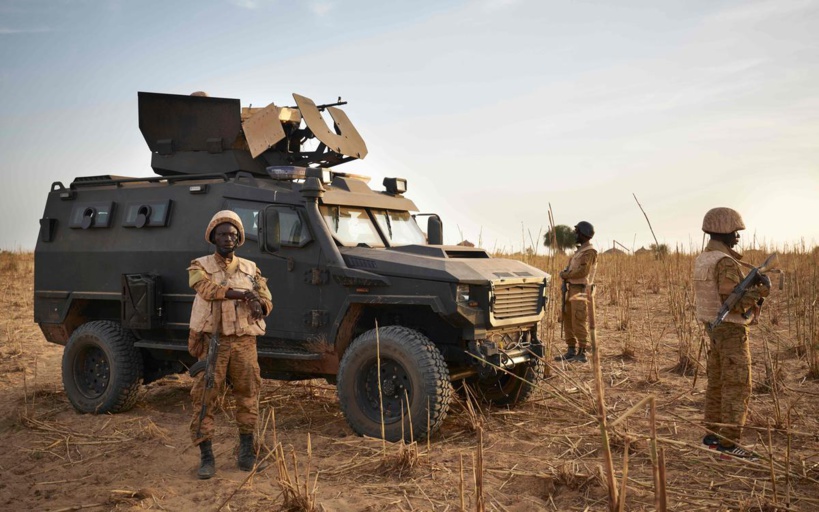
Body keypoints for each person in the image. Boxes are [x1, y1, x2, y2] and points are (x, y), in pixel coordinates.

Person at [188, 210, 273, 479]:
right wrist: (242, 294)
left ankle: (246, 452)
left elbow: (267, 298)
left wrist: (260, 304)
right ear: (213, 236)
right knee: (204, 400)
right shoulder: (198, 265)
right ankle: (206, 457)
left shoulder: (250, 269)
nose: (228, 238)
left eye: (233, 235)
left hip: (244, 342)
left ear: (239, 239)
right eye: (223, 234)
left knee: (248, 396)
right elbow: (207, 290)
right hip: (212, 342)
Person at [693, 207, 770, 460]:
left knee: (717, 384)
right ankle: (729, 445)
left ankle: (712, 436)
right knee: (737, 387)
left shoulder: (704, 258)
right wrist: (760, 292)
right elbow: (734, 303)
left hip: (714, 330)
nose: (737, 237)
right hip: (731, 332)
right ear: (724, 231)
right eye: (735, 232)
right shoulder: (725, 262)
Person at [555, 221, 598, 363]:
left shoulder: (589, 251)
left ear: (583, 234)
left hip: (580, 289)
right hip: (570, 288)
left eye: (577, 232)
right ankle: (571, 350)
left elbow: (582, 271)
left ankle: (582, 351)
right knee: (567, 318)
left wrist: (565, 275)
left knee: (578, 319)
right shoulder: (579, 251)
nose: (575, 235)